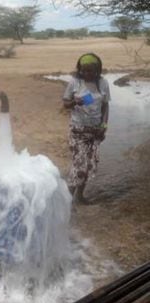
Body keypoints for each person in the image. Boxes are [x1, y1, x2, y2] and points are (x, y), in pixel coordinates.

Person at [62, 53, 110, 204]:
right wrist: (74, 102)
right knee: (79, 165)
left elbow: (105, 106)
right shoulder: (74, 82)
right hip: (78, 130)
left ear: (98, 70)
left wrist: (104, 126)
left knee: (90, 166)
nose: (87, 74)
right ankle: (66, 201)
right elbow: (65, 104)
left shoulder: (103, 83)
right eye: (84, 70)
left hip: (95, 131)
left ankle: (80, 197)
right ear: (80, 69)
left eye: (91, 71)